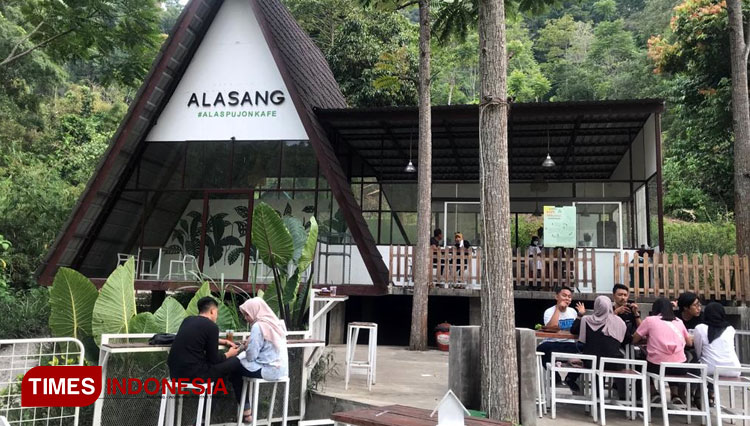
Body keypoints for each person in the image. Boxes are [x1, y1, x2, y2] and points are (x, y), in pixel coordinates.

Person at [168, 297, 242, 401]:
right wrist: (230, 353)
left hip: (175, 374)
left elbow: (197, 336)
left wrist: (222, 341)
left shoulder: (187, 320)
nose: (217, 315)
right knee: (235, 361)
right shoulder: (211, 326)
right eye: (217, 312)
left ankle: (206, 414)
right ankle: (207, 414)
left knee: (220, 375)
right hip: (194, 376)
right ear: (212, 311)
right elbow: (214, 359)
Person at [234, 298, 289, 423]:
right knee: (237, 364)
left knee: (234, 367)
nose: (246, 318)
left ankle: (246, 411)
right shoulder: (276, 323)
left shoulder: (258, 326)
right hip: (282, 370)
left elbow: (251, 356)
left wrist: (244, 347)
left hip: (267, 370)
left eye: (247, 314)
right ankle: (247, 412)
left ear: (255, 311)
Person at [633, 297, 694, 405]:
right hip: (680, 368)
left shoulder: (650, 320)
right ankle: (675, 395)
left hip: (657, 367)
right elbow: (689, 343)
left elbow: (635, 339)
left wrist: (650, 338)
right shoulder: (679, 321)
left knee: (642, 363)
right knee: (673, 359)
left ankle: (654, 392)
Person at [571, 295, 627, 398]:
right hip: (613, 363)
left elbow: (574, 332)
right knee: (612, 357)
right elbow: (624, 339)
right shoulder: (619, 322)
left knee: (595, 357)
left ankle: (596, 397)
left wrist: (579, 315)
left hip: (591, 362)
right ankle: (622, 395)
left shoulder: (586, 319)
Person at [536, 285, 586, 392]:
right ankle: (555, 376)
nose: (567, 298)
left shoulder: (573, 311)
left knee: (587, 349)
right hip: (552, 343)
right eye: (564, 296)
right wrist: (558, 309)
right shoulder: (549, 311)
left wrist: (580, 315)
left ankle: (571, 378)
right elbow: (551, 327)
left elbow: (577, 330)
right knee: (542, 348)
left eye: (569, 296)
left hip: (569, 344)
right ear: (556, 297)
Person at [693, 302, 740, 377]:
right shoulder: (730, 328)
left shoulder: (700, 328)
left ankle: (700, 388)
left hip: (710, 368)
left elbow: (698, 351)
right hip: (733, 368)